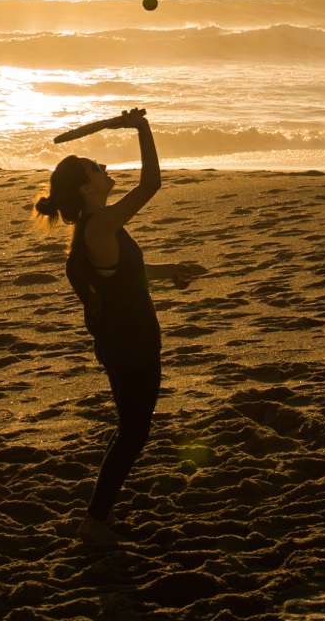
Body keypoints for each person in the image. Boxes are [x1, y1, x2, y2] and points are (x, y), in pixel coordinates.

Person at [33, 108, 206, 545]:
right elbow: (151, 184)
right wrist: (142, 128)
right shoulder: (101, 225)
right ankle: (94, 521)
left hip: (122, 341)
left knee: (132, 429)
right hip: (131, 342)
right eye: (96, 167)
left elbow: (123, 275)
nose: (105, 168)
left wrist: (170, 273)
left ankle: (97, 517)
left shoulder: (96, 230)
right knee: (133, 432)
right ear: (86, 186)